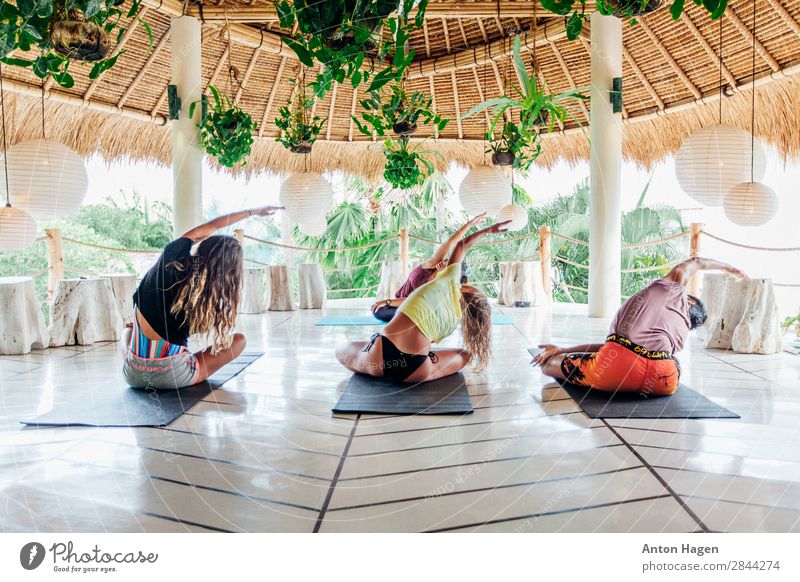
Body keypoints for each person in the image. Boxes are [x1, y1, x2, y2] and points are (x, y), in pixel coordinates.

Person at [531, 257, 747, 396]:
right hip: (664, 380)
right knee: (670, 361)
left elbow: (696, 262)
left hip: (614, 367)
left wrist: (730, 268)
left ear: (690, 302)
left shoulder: (674, 290)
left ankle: (606, 380)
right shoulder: (680, 331)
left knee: (548, 365)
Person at [122, 206, 282, 389]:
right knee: (239, 341)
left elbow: (211, 226)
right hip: (175, 376)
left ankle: (137, 353)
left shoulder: (167, 260)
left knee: (127, 331)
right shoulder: (203, 302)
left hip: (132, 375)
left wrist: (252, 212)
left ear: (203, 248)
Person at [337, 220, 511, 383]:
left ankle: (380, 366)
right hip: (416, 369)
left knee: (343, 349)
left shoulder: (450, 281)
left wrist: (488, 230)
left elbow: (461, 245)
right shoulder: (453, 320)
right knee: (463, 355)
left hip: (378, 358)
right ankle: (427, 362)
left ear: (466, 289)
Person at [371, 213, 486, 322]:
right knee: (378, 310)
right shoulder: (431, 264)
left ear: (451, 272)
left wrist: (388, 301)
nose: (444, 261)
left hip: (414, 307)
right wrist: (470, 224)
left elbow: (412, 300)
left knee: (389, 310)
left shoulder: (441, 285)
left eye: (448, 264)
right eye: (447, 259)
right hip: (404, 305)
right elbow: (451, 242)